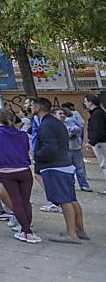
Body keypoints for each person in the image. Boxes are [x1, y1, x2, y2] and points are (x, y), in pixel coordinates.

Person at [33, 97, 88, 243]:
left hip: (55, 166)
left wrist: (35, 155)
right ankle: (79, 229)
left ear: (38, 107)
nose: (31, 107)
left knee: (64, 200)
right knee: (71, 198)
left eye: (33, 105)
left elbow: (49, 148)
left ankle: (71, 233)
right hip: (64, 164)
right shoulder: (56, 123)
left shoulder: (47, 125)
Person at [0, 107, 39, 243]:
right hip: (23, 168)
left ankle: (26, 230)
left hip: (6, 170)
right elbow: (26, 148)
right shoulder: (22, 134)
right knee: (25, 201)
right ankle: (27, 229)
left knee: (16, 201)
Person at [62, 104, 92, 191]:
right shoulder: (57, 125)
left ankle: (83, 184)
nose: (62, 116)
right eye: (59, 114)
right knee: (69, 169)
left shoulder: (70, 121)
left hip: (75, 148)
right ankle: (70, 185)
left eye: (63, 114)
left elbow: (78, 129)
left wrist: (72, 132)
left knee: (80, 168)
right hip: (66, 149)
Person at [85, 95, 106, 192]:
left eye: (86, 101)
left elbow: (98, 129)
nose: (85, 103)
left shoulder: (97, 114)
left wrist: (92, 142)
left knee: (104, 163)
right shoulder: (99, 113)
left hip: (100, 142)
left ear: (90, 102)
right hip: (100, 141)